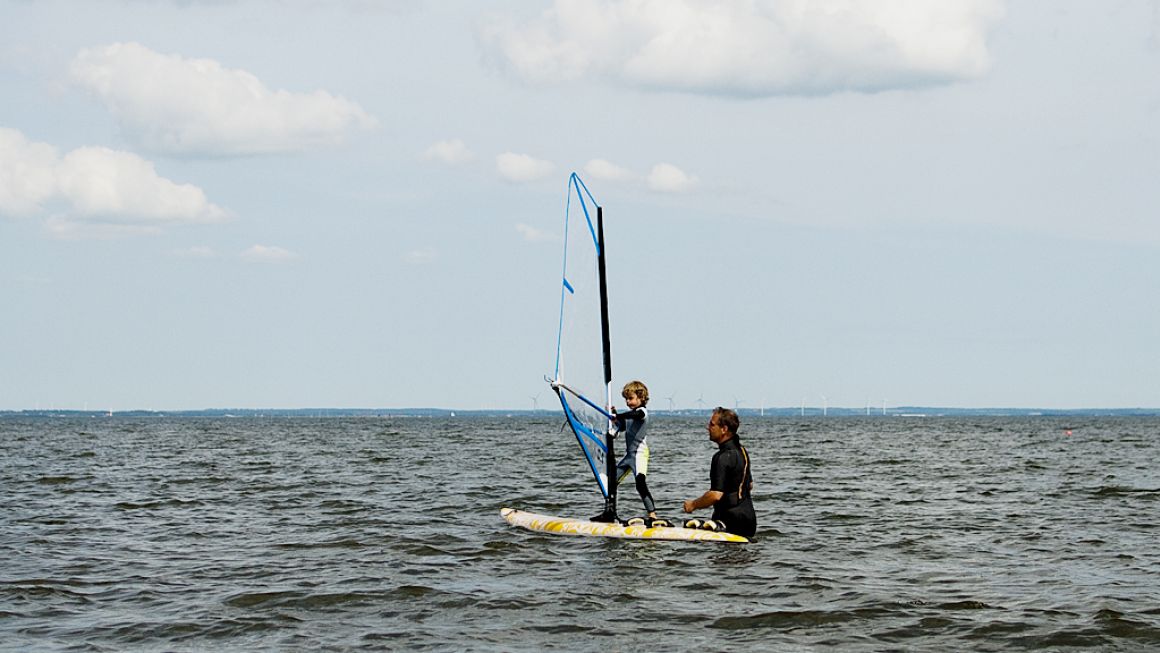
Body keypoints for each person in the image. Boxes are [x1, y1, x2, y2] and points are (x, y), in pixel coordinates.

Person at [591, 380, 668, 527]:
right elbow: (621, 427)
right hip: (629, 456)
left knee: (640, 483)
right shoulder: (629, 416)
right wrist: (613, 418)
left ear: (641, 398)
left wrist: (619, 416)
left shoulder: (642, 413)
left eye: (631, 398)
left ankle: (653, 516)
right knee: (610, 483)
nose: (628, 401)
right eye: (626, 399)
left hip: (639, 454)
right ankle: (609, 512)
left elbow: (635, 415)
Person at [682, 407, 756, 538]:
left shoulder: (721, 457)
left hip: (730, 521)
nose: (707, 427)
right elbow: (749, 485)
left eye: (712, 424)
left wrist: (693, 505)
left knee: (721, 557)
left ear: (724, 429)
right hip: (749, 520)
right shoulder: (743, 452)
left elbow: (715, 495)